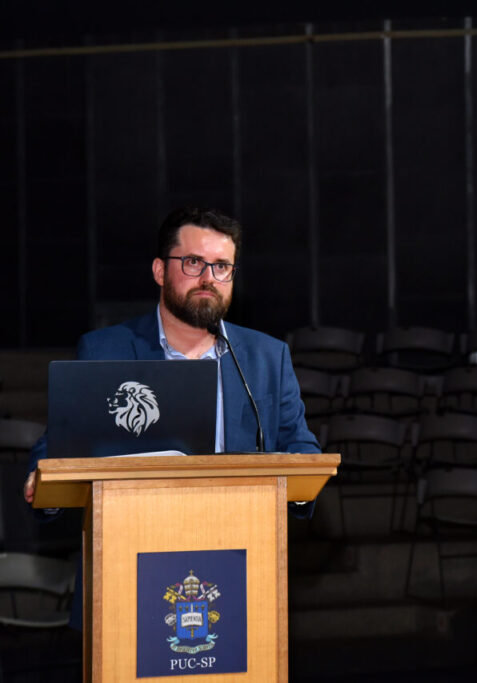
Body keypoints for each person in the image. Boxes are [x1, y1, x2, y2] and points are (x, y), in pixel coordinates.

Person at [23, 206, 320, 626]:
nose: (208, 279)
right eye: (194, 262)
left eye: (222, 266)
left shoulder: (266, 358)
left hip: (237, 563)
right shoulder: (106, 351)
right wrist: (41, 477)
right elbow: (59, 445)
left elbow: (299, 445)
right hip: (130, 566)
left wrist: (302, 482)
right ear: (160, 271)